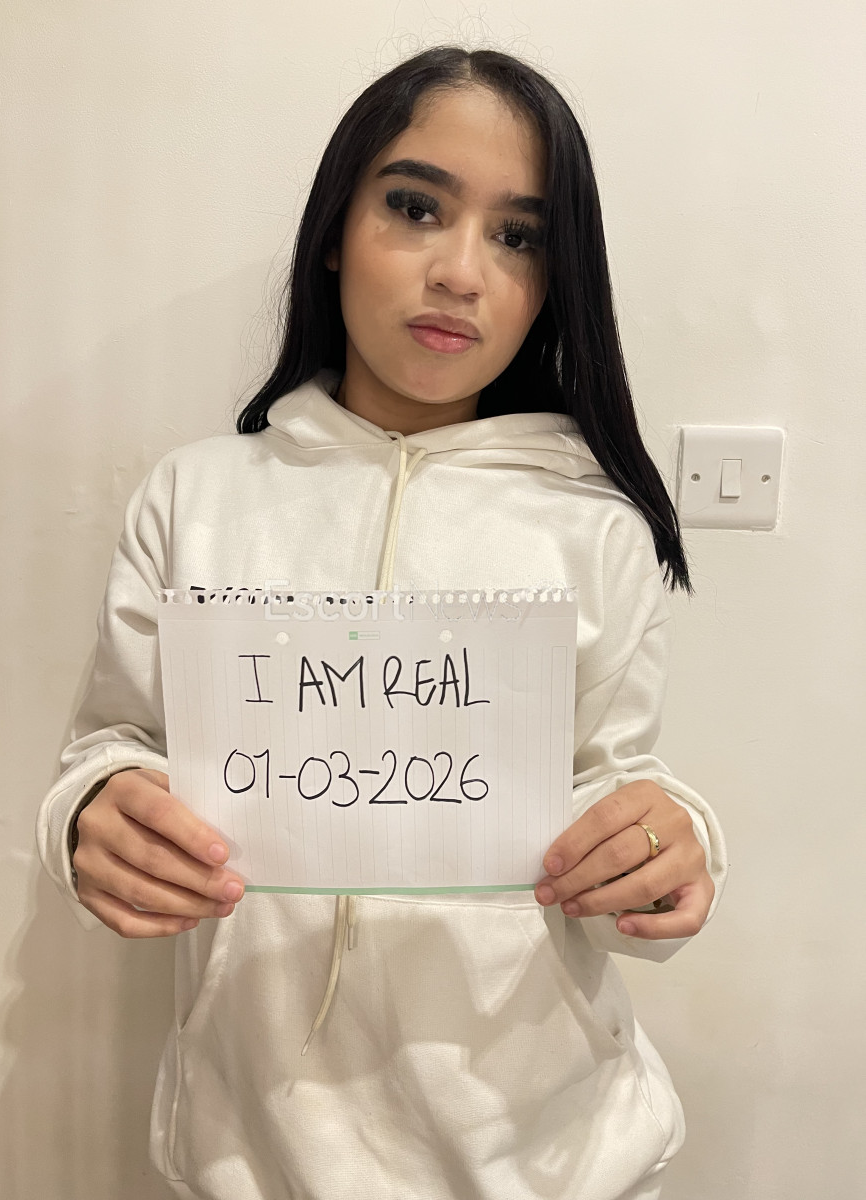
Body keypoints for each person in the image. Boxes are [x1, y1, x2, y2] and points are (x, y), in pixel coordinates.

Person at [37, 45, 727, 1200]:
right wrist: (89, 817)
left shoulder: (595, 530)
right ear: (334, 230)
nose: (461, 272)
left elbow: (615, 789)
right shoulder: (195, 498)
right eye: (415, 207)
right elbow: (114, 748)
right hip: (250, 1155)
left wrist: (668, 849)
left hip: (551, 1160)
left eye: (520, 236)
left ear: (555, 282)